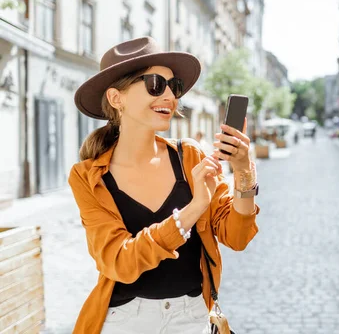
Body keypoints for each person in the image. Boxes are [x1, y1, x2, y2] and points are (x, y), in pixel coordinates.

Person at [69, 37, 260, 334]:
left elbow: (237, 236)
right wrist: (193, 209)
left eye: (175, 86)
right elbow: (119, 262)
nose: (170, 95)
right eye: (156, 84)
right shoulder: (88, 176)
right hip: (123, 320)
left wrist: (243, 170)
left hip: (190, 317)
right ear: (117, 98)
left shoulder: (190, 157)